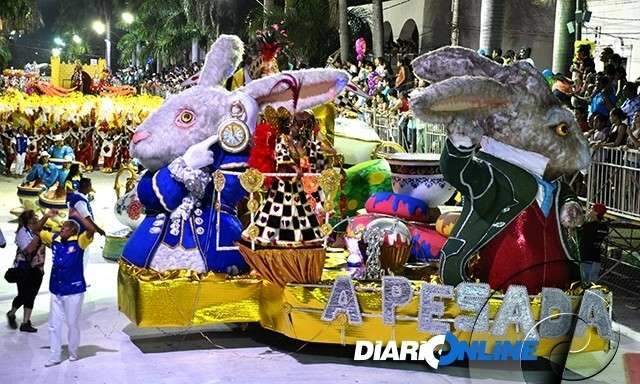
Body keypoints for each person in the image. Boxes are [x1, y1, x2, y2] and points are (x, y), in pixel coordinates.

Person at [41, 214, 96, 367]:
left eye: (65, 227)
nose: (61, 229)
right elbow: (36, 230)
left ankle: (73, 352)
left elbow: (91, 229)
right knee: (54, 325)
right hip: (56, 289)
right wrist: (46, 216)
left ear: (73, 231)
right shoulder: (55, 240)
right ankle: (54, 357)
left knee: (72, 323)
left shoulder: (80, 242)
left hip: (74, 290)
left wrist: (79, 215)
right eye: (61, 226)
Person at [6, 210, 52, 332]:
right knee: (23, 294)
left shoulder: (41, 231)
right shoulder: (22, 233)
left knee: (32, 295)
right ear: (28, 222)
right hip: (24, 269)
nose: (37, 220)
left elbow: (51, 244)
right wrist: (38, 235)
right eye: (34, 219)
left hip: (38, 268)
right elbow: (29, 250)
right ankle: (12, 312)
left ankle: (25, 322)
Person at [579, 203, 609, 284]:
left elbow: (576, 228)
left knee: (585, 283)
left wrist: (586, 218)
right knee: (593, 284)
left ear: (596, 212)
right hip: (596, 259)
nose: (589, 211)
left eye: (591, 209)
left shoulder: (588, 226)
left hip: (586, 258)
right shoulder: (604, 227)